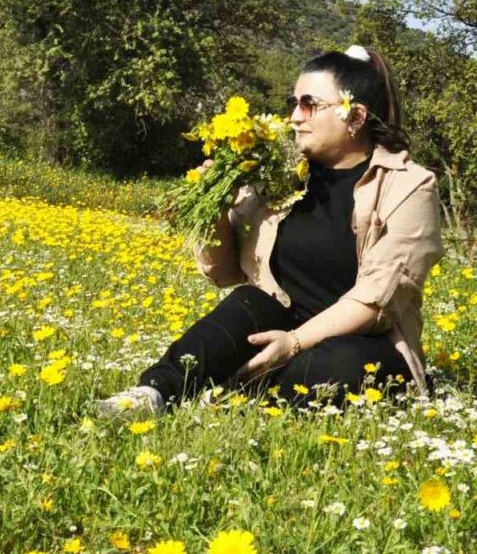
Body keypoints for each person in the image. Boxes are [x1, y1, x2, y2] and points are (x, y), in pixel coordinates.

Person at [94, 45, 445, 417]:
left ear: (355, 116)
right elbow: (223, 271)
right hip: (277, 321)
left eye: (309, 104)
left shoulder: (410, 185)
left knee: (342, 363)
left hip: (360, 339)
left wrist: (292, 343)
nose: (294, 117)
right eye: (292, 102)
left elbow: (377, 299)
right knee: (246, 304)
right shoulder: (279, 178)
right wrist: (213, 204)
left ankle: (245, 395)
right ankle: (152, 395)